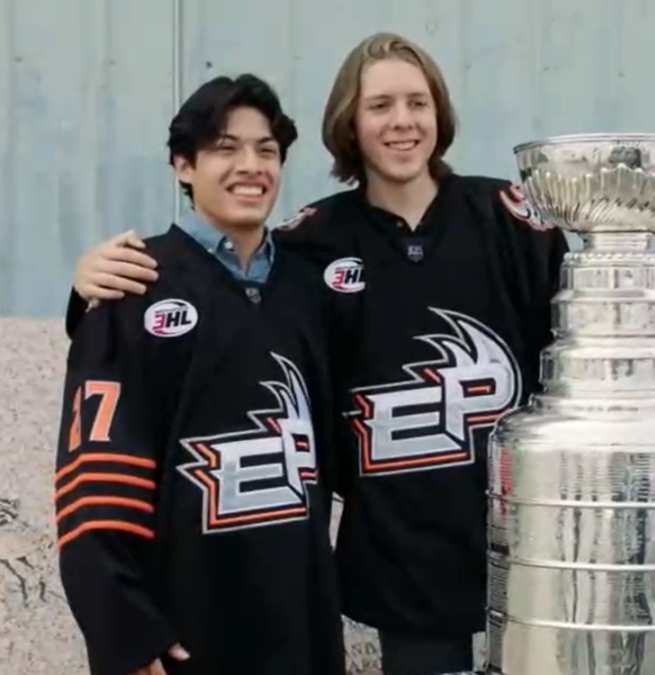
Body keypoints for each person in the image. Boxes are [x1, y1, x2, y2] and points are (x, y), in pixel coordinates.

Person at [66, 32, 570, 675]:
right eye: (380, 105)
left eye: (418, 102)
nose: (402, 121)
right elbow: (217, 297)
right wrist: (88, 292)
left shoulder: (510, 219)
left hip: (525, 549)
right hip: (400, 565)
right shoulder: (310, 245)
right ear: (349, 125)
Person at [55, 73, 348, 675]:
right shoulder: (132, 283)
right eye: (225, 147)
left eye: (266, 150)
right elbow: (93, 487)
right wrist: (126, 635)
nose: (251, 165)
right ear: (182, 165)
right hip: (187, 630)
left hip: (300, 622)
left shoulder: (308, 287)